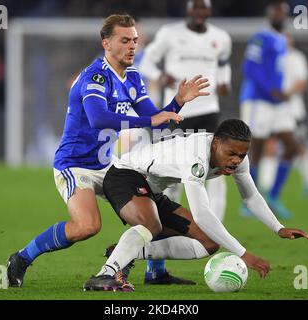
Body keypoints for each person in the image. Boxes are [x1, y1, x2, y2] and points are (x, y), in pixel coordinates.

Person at [6, 14, 210, 287]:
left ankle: (155, 272)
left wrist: (177, 102)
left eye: (135, 40)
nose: (132, 46)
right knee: (87, 226)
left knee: (154, 211)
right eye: (124, 40)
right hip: (75, 165)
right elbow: (99, 119)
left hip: (109, 165)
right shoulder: (96, 76)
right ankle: (21, 258)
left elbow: (157, 120)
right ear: (106, 44)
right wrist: (152, 120)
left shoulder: (133, 76)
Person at [83, 119, 308, 292]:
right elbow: (202, 214)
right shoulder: (196, 157)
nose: (236, 159)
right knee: (151, 225)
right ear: (215, 143)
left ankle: (126, 253)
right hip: (125, 175)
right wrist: (244, 254)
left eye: (242, 155)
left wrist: (278, 227)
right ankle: (105, 274)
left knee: (209, 242)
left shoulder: (238, 158)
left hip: (152, 190)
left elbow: (251, 197)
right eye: (231, 153)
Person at [138, 0, 232, 284]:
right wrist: (161, 76)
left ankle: (210, 232)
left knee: (215, 175)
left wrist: (224, 82)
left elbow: (224, 66)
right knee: (171, 179)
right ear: (189, 10)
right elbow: (147, 62)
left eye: (204, 8)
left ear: (209, 11)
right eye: (196, 8)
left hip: (208, 112)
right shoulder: (169, 34)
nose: (200, 12)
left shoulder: (221, 38)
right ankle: (159, 260)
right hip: (175, 113)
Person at [239, 0, 299, 219]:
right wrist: (270, 90)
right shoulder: (261, 37)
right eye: (276, 11)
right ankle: (248, 202)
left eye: (282, 11)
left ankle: (273, 196)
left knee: (292, 146)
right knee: (257, 150)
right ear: (269, 13)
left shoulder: (282, 40)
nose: (279, 14)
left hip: (276, 101)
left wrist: (280, 92)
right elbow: (249, 68)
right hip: (258, 100)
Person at [258, 33, 308, 197]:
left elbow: (302, 83)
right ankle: (265, 187)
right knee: (269, 145)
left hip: (293, 111)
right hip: (272, 110)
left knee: (299, 147)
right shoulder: (270, 57)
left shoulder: (297, 57)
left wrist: (286, 94)